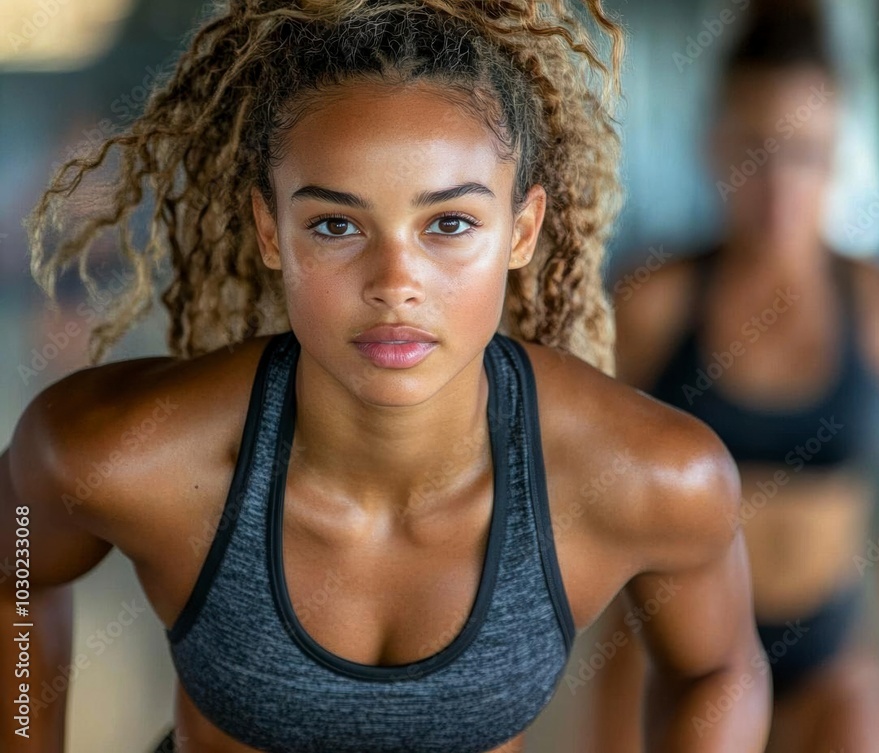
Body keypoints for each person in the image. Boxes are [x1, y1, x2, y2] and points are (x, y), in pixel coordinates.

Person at [0, 1, 772, 751]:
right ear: (272, 231)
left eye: (449, 223)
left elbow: (719, 667)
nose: (396, 281)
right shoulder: (108, 454)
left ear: (522, 230)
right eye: (336, 225)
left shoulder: (656, 476)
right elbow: (17, 566)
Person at [588, 8, 879, 753]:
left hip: (828, 654)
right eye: (756, 149)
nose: (780, 183)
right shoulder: (650, 301)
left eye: (805, 152)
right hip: (669, 655)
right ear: (716, 147)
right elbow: (568, 431)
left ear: (838, 153)